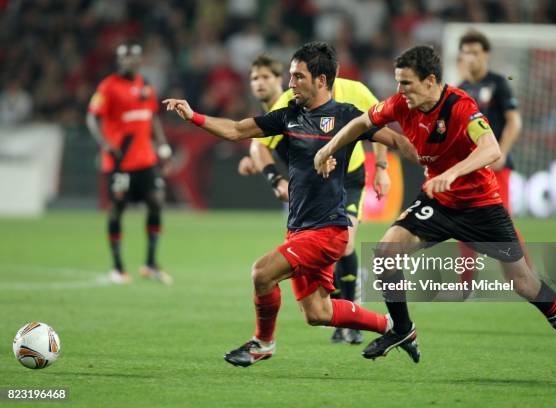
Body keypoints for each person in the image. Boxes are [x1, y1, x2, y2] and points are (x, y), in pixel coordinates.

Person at [314, 45, 556, 386]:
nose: (400, 91)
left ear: (431, 80)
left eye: (406, 83)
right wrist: (328, 148)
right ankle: (403, 330)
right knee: (386, 253)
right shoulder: (398, 104)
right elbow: (361, 123)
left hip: (480, 206)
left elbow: (492, 149)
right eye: (398, 82)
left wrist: (453, 173)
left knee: (523, 283)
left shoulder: (460, 106)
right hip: (437, 203)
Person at [164, 42, 416, 367]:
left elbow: (394, 140)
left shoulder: (346, 116)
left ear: (321, 80)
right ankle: (395, 327)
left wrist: (430, 160)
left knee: (261, 273)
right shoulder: (289, 115)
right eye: (291, 76)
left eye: (298, 77)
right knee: (318, 313)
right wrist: (193, 116)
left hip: (328, 230)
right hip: (299, 228)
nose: (290, 83)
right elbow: (238, 130)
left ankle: (262, 343)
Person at [238, 54, 392, 344]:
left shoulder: (355, 91)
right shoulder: (291, 100)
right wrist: (273, 177)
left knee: (344, 242)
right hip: (313, 185)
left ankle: (351, 315)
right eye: (255, 78)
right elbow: (258, 146)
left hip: (350, 176)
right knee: (318, 257)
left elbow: (379, 127)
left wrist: (381, 169)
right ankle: (342, 310)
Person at [86, 43, 173, 285]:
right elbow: (92, 117)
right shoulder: (108, 86)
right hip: (120, 161)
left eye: (133, 57)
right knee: (117, 210)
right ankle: (117, 267)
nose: (128, 62)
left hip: (146, 159)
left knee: (156, 202)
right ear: (118, 60)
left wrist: (163, 146)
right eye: (124, 57)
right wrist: (105, 144)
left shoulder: (145, 85)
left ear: (139, 60)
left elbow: (153, 116)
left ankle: (151, 264)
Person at [457, 29, 529, 288]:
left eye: (476, 52)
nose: (471, 57)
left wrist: (503, 151)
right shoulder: (461, 89)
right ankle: (464, 283)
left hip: (496, 165)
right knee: (461, 221)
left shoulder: (497, 83)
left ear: (485, 54)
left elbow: (514, 121)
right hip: (470, 168)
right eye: (466, 52)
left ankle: (525, 274)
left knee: (502, 222)